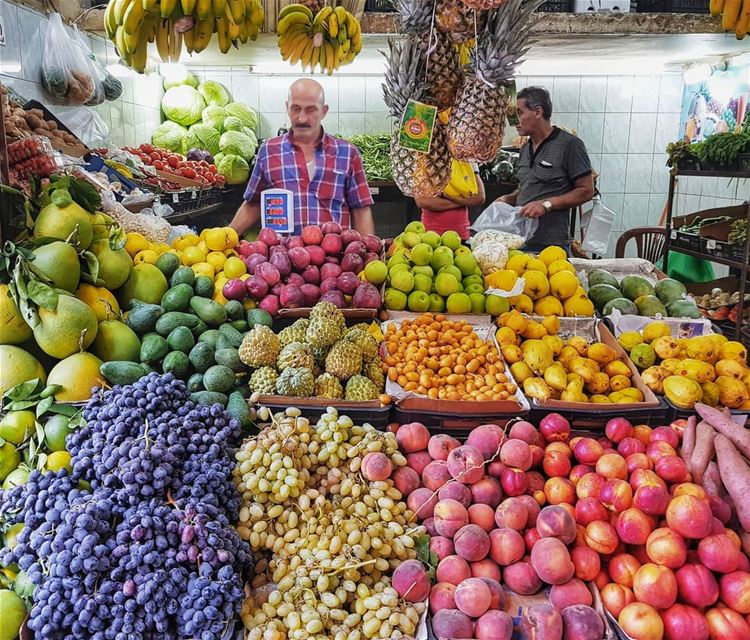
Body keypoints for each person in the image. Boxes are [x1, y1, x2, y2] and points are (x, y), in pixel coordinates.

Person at [229, 79, 375, 236]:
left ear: (324, 111)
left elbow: (360, 209)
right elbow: (253, 204)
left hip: (335, 257)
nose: (302, 118)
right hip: (282, 256)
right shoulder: (269, 151)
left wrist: (368, 254)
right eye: (296, 109)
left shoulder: (347, 153)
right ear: (287, 107)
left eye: (311, 110)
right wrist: (224, 239)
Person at [498, 86, 595, 253]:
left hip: (550, 246)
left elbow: (586, 190)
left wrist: (547, 204)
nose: (513, 121)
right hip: (520, 241)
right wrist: (509, 198)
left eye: (519, 113)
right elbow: (528, 187)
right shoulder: (524, 149)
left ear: (537, 112)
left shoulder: (569, 145)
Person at [414, 163, 486, 241]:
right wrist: (463, 201)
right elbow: (423, 202)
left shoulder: (464, 164)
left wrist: (449, 197)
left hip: (461, 236)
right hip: (432, 236)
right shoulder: (424, 164)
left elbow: (480, 198)